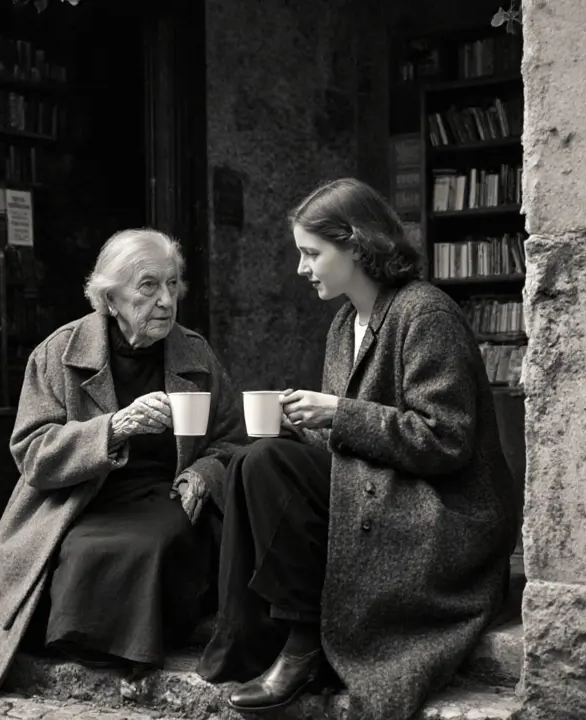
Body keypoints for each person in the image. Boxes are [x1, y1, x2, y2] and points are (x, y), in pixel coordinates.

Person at [197, 178, 522, 719]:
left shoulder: (426, 314)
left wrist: (338, 412)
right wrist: (301, 422)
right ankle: (265, 635)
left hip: (444, 512)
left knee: (266, 463)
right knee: (253, 459)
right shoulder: (345, 322)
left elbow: (446, 439)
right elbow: (345, 440)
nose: (302, 268)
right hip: (379, 486)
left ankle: (305, 648)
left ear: (355, 245)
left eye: (311, 253)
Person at [0, 228, 246, 695]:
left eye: (172, 284)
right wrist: (114, 428)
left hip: (165, 493)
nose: (165, 301)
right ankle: (82, 641)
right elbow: (33, 453)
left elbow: (233, 437)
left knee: (156, 544)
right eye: (149, 286)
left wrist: (204, 472)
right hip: (79, 499)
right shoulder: (60, 353)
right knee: (79, 550)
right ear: (110, 298)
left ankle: (131, 647)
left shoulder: (195, 353)